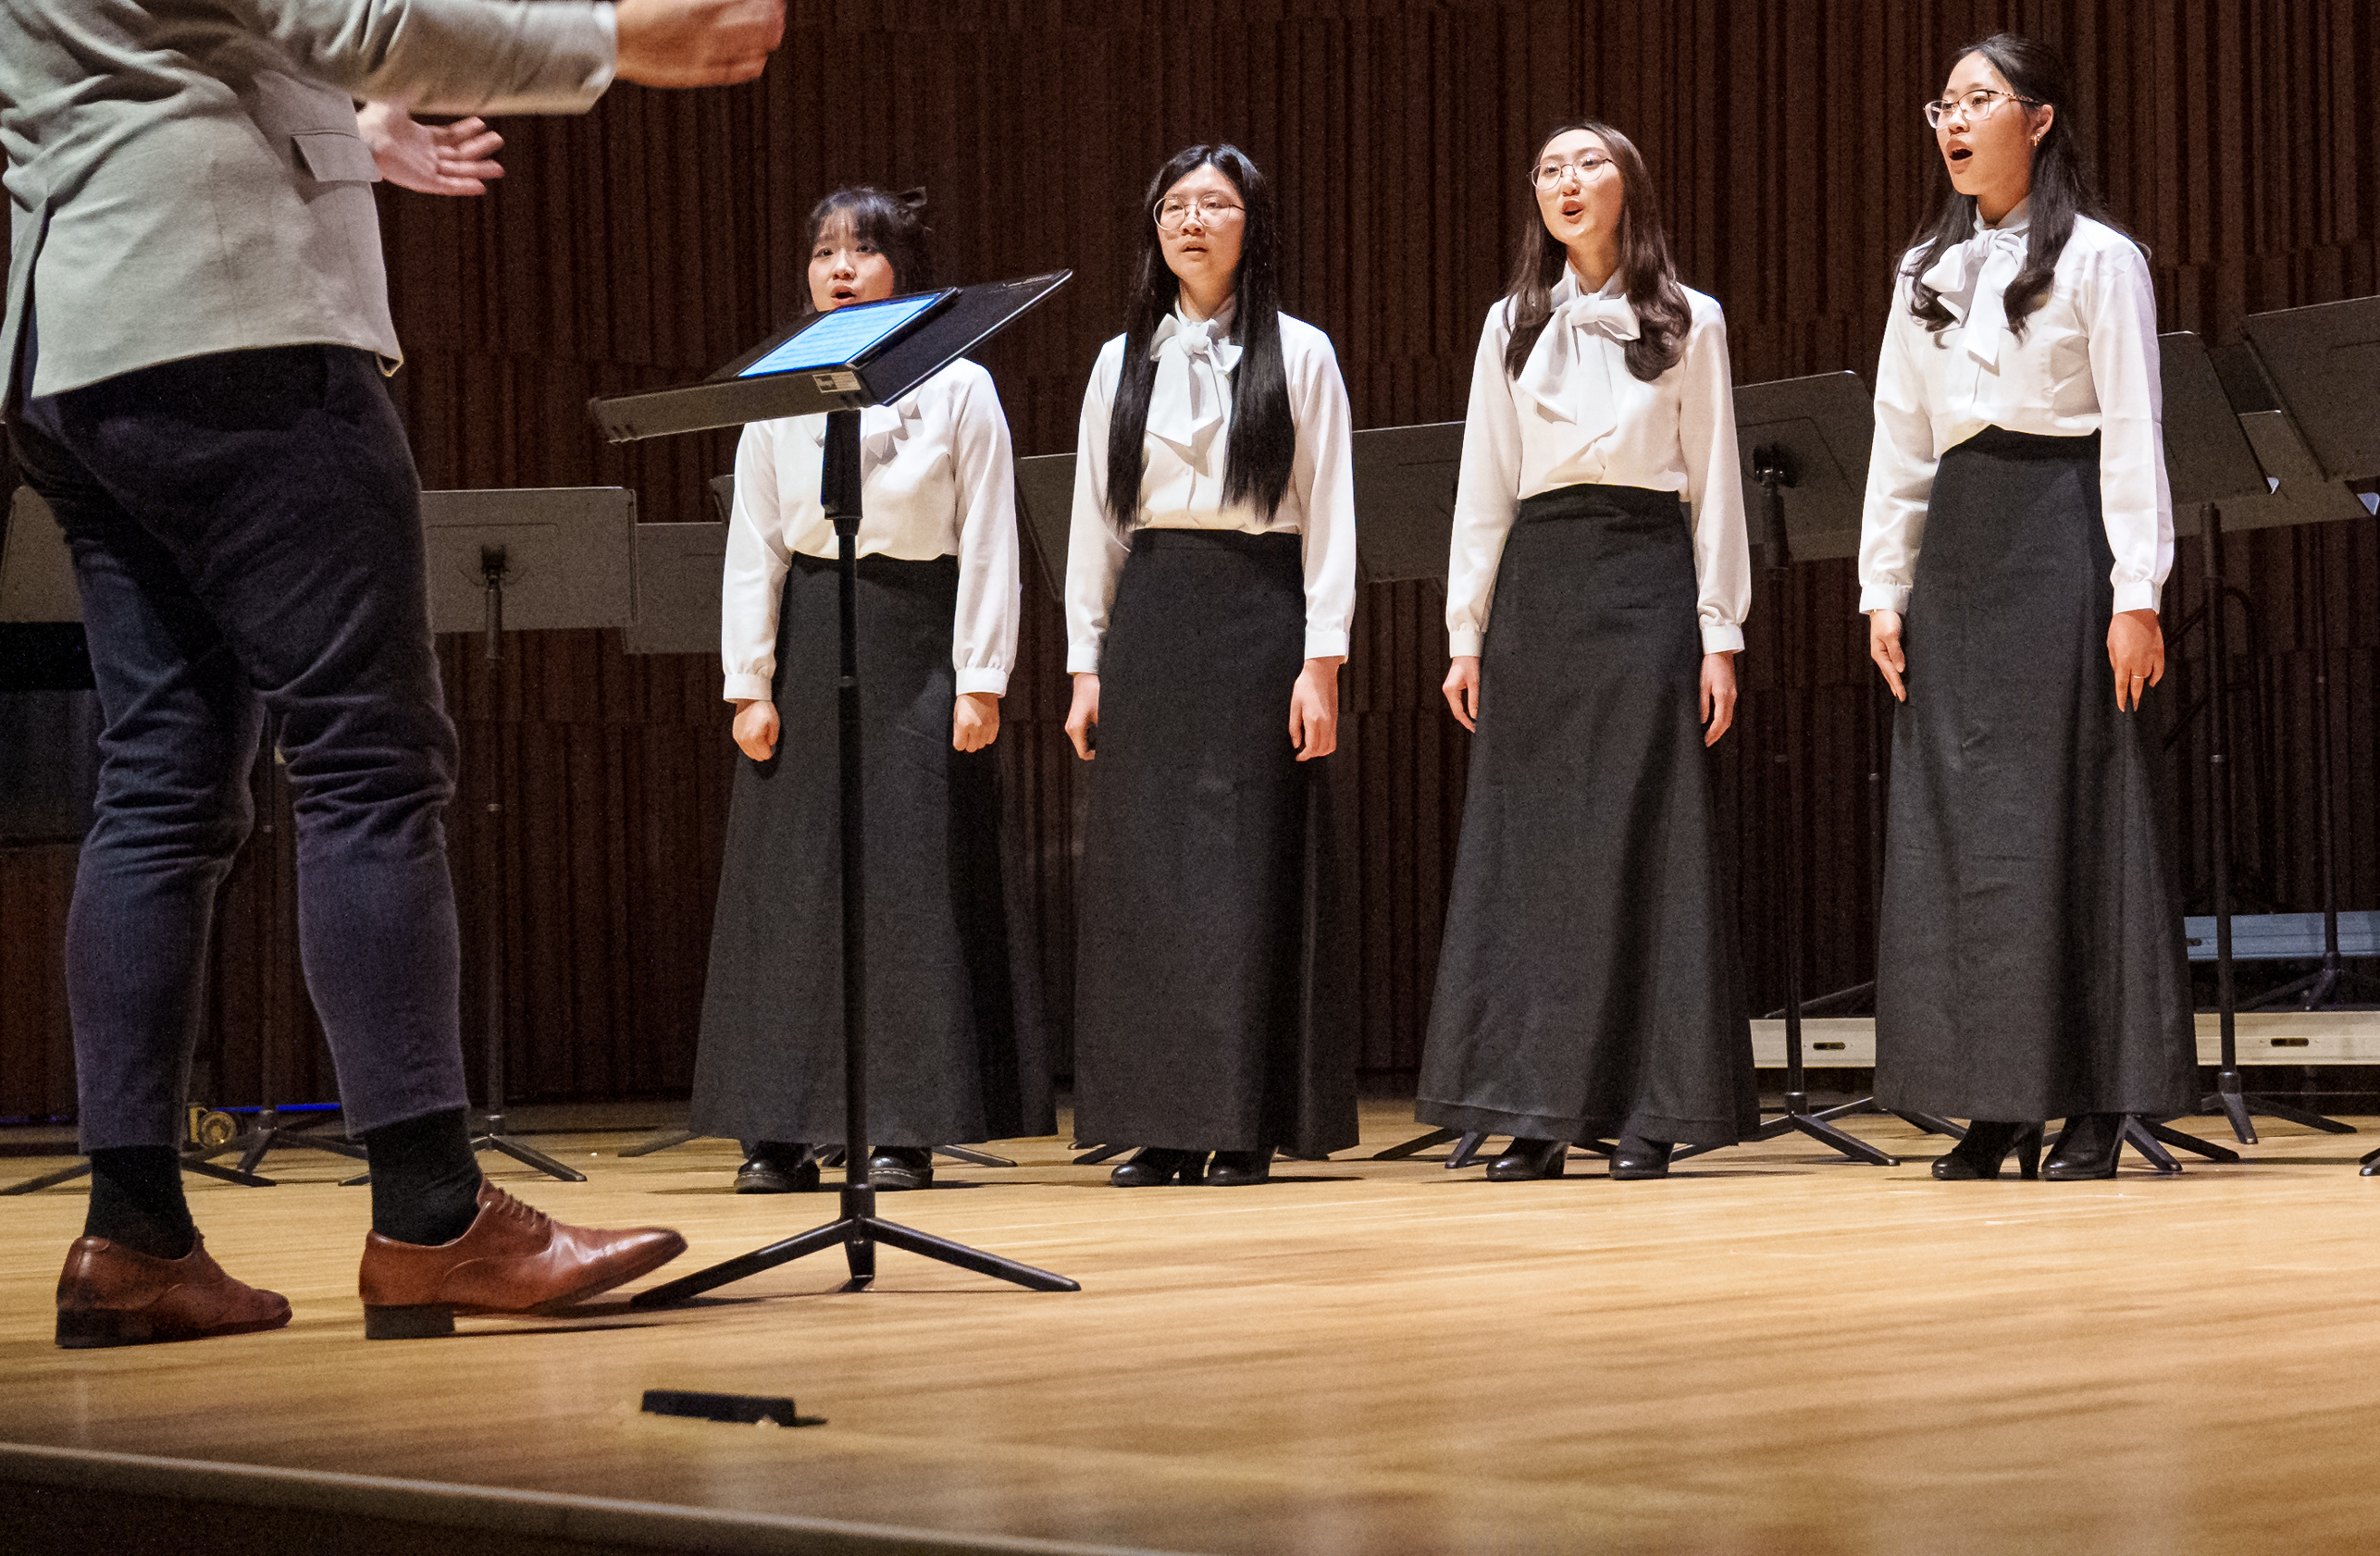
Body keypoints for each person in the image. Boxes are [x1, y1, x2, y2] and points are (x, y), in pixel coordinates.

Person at [0, 0, 781, 1347]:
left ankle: (134, 1234)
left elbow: (158, 67)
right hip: (243, 342)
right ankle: (429, 1210)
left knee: (164, 786)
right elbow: (351, 13)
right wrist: (608, 42)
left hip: (74, 362)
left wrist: (351, 136)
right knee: (370, 762)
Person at [1857, 36, 2191, 1182]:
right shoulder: (1924, 268)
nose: (1954, 121)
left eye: (1978, 100)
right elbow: (1899, 439)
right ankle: (1994, 1100)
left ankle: (2096, 1098)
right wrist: (1882, 588)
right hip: (1960, 543)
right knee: (1966, 827)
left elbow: (2138, 429)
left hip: (2061, 536)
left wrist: (2137, 591)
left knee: (2071, 809)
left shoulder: (2103, 259)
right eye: (1942, 103)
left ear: (2037, 119)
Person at [688, 187, 1051, 1196]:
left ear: (905, 268)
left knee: (906, 879)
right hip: (810, 628)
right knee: (795, 884)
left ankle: (905, 1119)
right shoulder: (776, 383)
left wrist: (980, 677)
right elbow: (753, 542)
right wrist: (746, 682)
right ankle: (781, 1120)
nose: (838, 268)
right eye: (823, 252)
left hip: (915, 635)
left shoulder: (962, 384)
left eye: (861, 250)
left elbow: (988, 541)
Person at [1416, 123, 1756, 1181]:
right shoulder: (1510, 324)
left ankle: (1651, 1110)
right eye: (1550, 170)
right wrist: (1465, 631)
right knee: (1539, 862)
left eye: (1588, 164)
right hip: (1544, 590)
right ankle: (1536, 1107)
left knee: (1647, 847)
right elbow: (1483, 486)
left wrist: (1721, 631)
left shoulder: (1692, 319)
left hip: (1647, 580)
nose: (1568, 182)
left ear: (1628, 187)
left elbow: (1717, 489)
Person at [1062, 144, 1361, 1185]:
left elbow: (1331, 517)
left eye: (1216, 205)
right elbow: (1097, 523)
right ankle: (1160, 1119)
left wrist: (1322, 660)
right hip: (1153, 615)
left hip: (1257, 617)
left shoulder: (1303, 353)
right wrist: (1083, 661)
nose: (1192, 221)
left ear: (1252, 225)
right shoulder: (1120, 359)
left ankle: (1241, 1120)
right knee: (1147, 882)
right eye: (1175, 205)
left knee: (1244, 874)